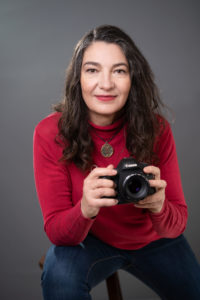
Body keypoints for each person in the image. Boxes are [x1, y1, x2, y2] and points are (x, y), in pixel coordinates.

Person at [33, 25, 200, 300]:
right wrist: (85, 207)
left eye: (119, 70)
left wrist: (159, 206)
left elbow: (177, 223)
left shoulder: (156, 128)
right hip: (92, 240)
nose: (106, 83)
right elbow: (57, 231)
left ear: (133, 78)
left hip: (154, 241)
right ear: (78, 79)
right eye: (92, 70)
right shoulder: (50, 133)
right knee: (59, 280)